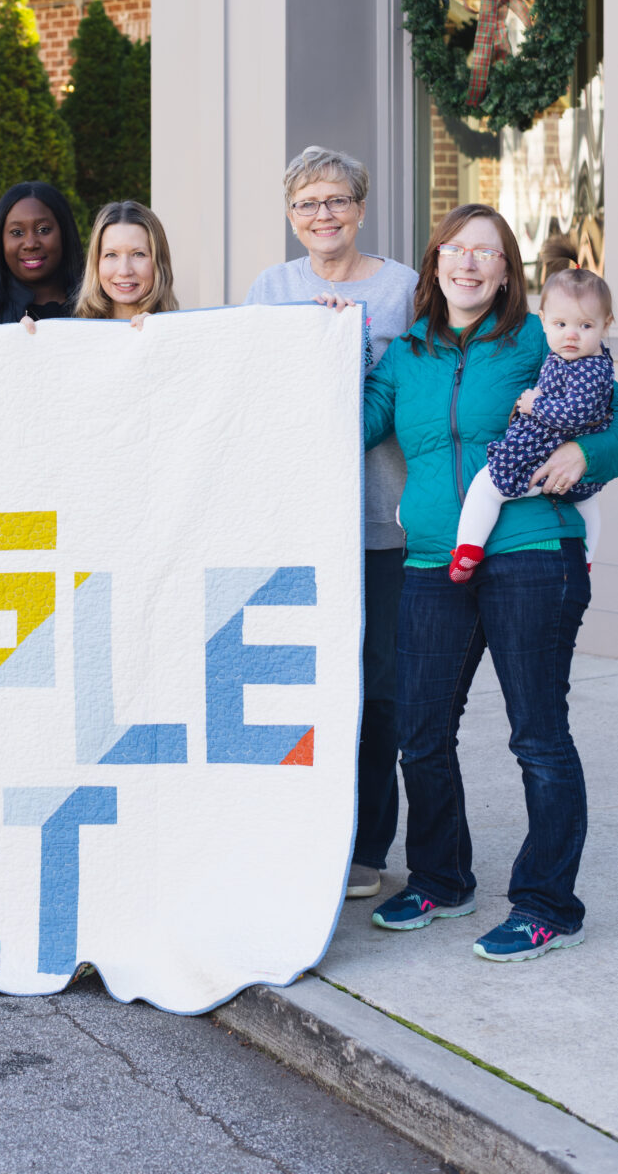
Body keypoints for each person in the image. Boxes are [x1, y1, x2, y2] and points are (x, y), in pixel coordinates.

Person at [363, 204, 618, 962]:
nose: (468, 263)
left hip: (532, 551)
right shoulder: (405, 355)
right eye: (455, 249)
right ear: (434, 262)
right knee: (420, 734)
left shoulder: (540, 339)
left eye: (486, 252)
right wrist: (314, 339)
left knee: (536, 735)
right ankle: (442, 880)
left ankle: (547, 905)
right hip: (431, 560)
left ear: (507, 272)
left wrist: (590, 453)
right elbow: (349, 421)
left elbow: (610, 410)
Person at [245, 145, 418, 904]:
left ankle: (365, 849)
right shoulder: (271, 289)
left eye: (337, 200)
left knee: (379, 691)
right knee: (298, 687)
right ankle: (299, 839)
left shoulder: (402, 289)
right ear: (291, 216)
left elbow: (418, 387)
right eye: (307, 203)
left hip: (382, 522)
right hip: (299, 522)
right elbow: (251, 386)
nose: (323, 215)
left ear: (360, 208)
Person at [449, 266, 613, 583]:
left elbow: (574, 413)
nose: (571, 335)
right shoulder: (581, 358)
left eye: (585, 325)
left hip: (542, 455)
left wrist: (534, 404)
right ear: (544, 321)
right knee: (588, 501)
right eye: (561, 324)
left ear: (606, 325)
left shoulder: (587, 368)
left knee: (487, 485)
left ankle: (468, 549)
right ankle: (589, 559)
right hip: (571, 467)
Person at [0, 181, 84, 326]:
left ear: (65, 233)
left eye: (43, 230)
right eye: (17, 232)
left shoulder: (97, 306)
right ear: (0, 241)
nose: (30, 244)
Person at [75, 200, 178, 322]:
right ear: (96, 262)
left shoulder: (180, 329)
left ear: (159, 262)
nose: (124, 271)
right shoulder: (77, 330)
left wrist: (157, 329)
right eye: (111, 255)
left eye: (138, 254)